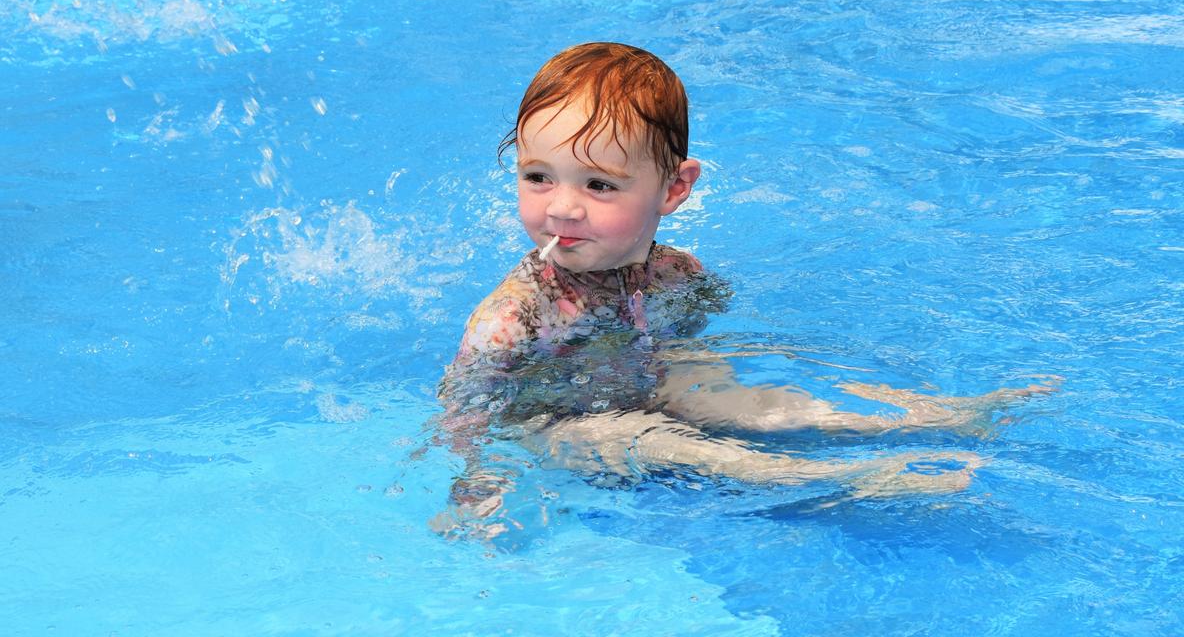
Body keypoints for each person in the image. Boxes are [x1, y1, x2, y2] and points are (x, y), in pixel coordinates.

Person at [428, 42, 1056, 539]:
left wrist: (695, 384)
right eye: (538, 177)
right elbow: (462, 408)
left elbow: (689, 330)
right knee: (642, 439)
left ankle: (936, 417)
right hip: (550, 424)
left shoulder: (678, 273)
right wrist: (477, 481)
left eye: (599, 186)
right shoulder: (515, 316)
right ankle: (852, 479)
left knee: (745, 402)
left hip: (641, 377)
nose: (562, 209)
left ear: (674, 189)